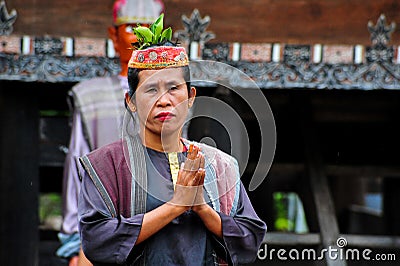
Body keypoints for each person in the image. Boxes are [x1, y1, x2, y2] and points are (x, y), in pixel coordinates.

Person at [78, 15, 266, 265]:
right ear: (131, 102)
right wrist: (176, 206)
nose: (164, 100)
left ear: (190, 97)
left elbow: (250, 240)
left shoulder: (220, 165)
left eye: (173, 88)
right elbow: (97, 241)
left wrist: (201, 207)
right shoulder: (107, 165)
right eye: (151, 90)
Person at [57, 1, 164, 265]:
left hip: (160, 228)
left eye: (150, 28)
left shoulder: (172, 94)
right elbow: (76, 168)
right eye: (130, 27)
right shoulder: (90, 96)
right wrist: (73, 242)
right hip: (101, 229)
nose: (140, 36)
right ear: (113, 36)